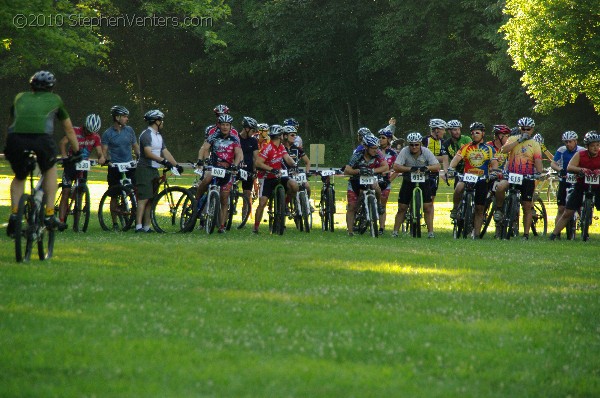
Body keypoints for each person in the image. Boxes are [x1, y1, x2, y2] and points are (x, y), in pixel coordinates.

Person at [5, 70, 81, 235]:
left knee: (19, 176)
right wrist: (76, 150)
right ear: (51, 87)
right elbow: (68, 129)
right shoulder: (55, 99)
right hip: (41, 139)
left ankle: (14, 214)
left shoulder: (20, 97)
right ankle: (48, 214)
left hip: (15, 139)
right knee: (50, 169)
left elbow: (12, 121)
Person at [493, 117, 544, 240]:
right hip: (511, 174)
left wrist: (539, 172)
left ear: (532, 130)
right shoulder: (512, 139)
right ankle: (499, 209)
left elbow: (538, 162)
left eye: (528, 129)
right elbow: (503, 150)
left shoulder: (535, 144)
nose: (525, 131)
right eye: (523, 129)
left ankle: (525, 234)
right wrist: (519, 141)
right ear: (520, 129)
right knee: (500, 187)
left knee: (526, 205)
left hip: (526, 177)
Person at [447, 122, 498, 238]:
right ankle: (455, 209)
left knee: (480, 208)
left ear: (483, 134)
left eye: (477, 133)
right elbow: (456, 158)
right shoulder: (466, 147)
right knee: (459, 187)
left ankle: (476, 234)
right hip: (467, 177)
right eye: (473, 133)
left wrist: (494, 172)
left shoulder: (489, 148)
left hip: (482, 179)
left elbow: (494, 162)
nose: (475, 135)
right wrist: (451, 168)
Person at [135, 110, 182, 233]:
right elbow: (148, 153)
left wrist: (176, 164)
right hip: (144, 169)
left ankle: (147, 226)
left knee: (151, 199)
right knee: (144, 198)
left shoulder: (158, 136)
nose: (162, 123)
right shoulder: (146, 135)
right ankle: (138, 226)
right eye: (161, 120)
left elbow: (165, 151)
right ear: (156, 121)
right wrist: (163, 161)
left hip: (154, 169)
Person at [196, 114, 243, 233]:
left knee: (224, 198)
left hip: (227, 170)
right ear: (219, 125)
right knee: (206, 180)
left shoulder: (234, 138)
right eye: (223, 124)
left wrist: (236, 165)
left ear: (230, 126)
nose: (225, 127)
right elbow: (204, 148)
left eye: (227, 125)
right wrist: (201, 160)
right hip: (215, 166)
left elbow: (239, 153)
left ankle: (221, 226)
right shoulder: (214, 136)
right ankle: (197, 199)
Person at [550, 131, 600, 240]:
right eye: (592, 146)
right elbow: (569, 167)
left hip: (597, 185)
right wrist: (581, 169)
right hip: (581, 184)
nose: (595, 148)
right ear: (587, 147)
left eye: (597, 145)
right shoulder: (580, 154)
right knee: (568, 211)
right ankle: (553, 235)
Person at [57, 113, 106, 222]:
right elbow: (62, 143)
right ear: (85, 126)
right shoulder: (75, 131)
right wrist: (64, 157)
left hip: (83, 166)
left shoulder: (96, 136)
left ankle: (77, 223)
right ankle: (60, 220)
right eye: (88, 130)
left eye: (91, 132)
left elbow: (99, 151)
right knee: (65, 191)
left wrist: (101, 157)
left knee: (80, 193)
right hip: (71, 164)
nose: (89, 133)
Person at [392, 132, 441, 238]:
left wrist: (427, 168)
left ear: (420, 144)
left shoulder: (426, 151)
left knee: (428, 207)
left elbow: (437, 165)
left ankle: (430, 232)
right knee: (402, 207)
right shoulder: (404, 151)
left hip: (424, 180)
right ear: (408, 145)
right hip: (408, 180)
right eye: (411, 145)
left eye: (416, 145)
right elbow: (396, 166)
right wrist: (410, 169)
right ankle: (395, 232)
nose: (414, 147)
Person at [253, 125, 299, 234]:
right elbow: (258, 163)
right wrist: (270, 169)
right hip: (267, 177)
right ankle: (255, 227)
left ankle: (285, 205)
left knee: (294, 185)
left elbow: (287, 158)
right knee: (263, 202)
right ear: (280, 136)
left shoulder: (281, 147)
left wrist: (294, 164)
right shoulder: (268, 148)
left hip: (279, 175)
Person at [102, 105, 139, 231]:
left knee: (134, 190)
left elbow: (135, 146)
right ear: (117, 118)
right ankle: (115, 223)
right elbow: (104, 150)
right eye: (124, 116)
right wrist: (106, 160)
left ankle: (133, 215)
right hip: (115, 166)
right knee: (114, 194)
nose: (127, 119)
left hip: (129, 165)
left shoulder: (129, 130)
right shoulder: (108, 133)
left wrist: (139, 157)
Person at [344, 134, 389, 236]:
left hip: (370, 178)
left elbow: (385, 167)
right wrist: (359, 171)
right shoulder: (357, 154)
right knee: (351, 206)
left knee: (376, 187)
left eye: (377, 148)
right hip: (356, 180)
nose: (375, 150)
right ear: (366, 147)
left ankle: (377, 205)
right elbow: (347, 170)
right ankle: (350, 231)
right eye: (373, 148)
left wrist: (372, 170)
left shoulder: (378, 153)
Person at [549, 131, 585, 234]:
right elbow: (553, 163)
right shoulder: (561, 150)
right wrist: (560, 169)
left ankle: (584, 225)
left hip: (578, 181)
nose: (568, 144)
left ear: (575, 141)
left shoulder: (582, 151)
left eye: (570, 141)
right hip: (564, 180)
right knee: (561, 208)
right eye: (566, 142)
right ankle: (557, 233)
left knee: (580, 206)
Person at [378, 128, 398, 235]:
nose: (380, 140)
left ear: (389, 139)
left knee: (382, 204)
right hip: (373, 179)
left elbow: (398, 169)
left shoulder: (393, 153)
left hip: (385, 181)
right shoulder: (374, 150)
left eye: (383, 138)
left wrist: (389, 180)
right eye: (379, 137)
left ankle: (381, 227)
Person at [442, 119, 471, 186]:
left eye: (458, 129)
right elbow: (445, 160)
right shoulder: (446, 144)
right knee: (457, 190)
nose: (457, 132)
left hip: (469, 169)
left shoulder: (466, 139)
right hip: (458, 171)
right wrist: (446, 173)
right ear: (449, 131)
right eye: (455, 130)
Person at [239, 116, 259, 211]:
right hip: (236, 168)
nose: (254, 133)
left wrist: (255, 171)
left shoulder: (253, 141)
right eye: (253, 130)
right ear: (246, 128)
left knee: (247, 194)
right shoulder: (236, 139)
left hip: (248, 170)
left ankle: (244, 217)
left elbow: (255, 157)